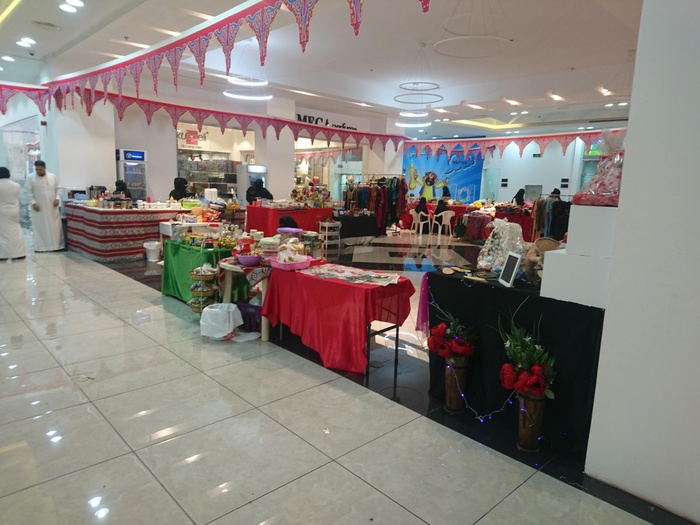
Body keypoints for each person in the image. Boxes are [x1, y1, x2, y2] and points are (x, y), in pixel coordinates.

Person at [25, 160, 64, 252]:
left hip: (52, 207)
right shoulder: (30, 178)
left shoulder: (52, 177)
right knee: (40, 227)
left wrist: (57, 198)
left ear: (45, 168)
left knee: (54, 226)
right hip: (38, 208)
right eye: (37, 169)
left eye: (40, 169)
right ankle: (40, 247)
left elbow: (58, 189)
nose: (38, 171)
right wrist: (33, 203)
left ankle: (56, 246)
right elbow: (28, 192)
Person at [0, 167, 26, 260]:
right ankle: (19, 253)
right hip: (14, 211)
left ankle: (3, 254)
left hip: (2, 211)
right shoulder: (16, 185)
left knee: (3, 233)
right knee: (16, 230)